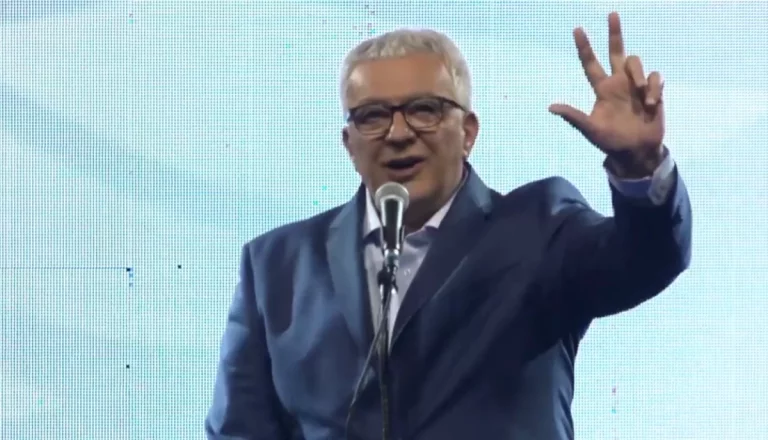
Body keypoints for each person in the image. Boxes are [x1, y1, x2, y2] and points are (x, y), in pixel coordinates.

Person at [205, 12, 691, 440]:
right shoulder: (275, 265)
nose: (398, 133)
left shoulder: (538, 228)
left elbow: (645, 260)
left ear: (468, 132)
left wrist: (639, 165)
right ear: (349, 144)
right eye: (373, 116)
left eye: (424, 110)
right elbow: (240, 430)